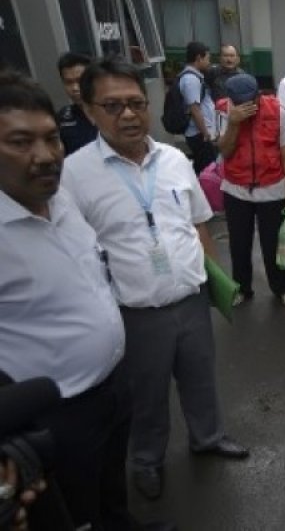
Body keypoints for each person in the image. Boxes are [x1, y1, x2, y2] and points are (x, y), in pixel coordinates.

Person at [61, 58, 248, 502]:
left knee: (200, 377)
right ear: (89, 110)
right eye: (112, 105)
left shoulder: (174, 159)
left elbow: (199, 222)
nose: (127, 114)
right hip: (135, 311)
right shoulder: (74, 174)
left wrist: (214, 281)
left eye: (135, 103)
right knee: (146, 394)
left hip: (190, 296)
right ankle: (146, 460)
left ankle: (208, 437)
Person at [0, 69, 131, 530]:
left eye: (51, 139)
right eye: (19, 142)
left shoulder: (62, 198)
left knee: (112, 484)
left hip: (112, 383)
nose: (44, 156)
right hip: (56, 412)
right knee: (74, 509)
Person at [215, 73, 285, 307]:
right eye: (239, 101)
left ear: (258, 95)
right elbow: (225, 151)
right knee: (239, 244)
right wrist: (233, 122)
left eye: (250, 100)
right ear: (230, 98)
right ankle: (241, 288)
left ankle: (283, 287)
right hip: (236, 189)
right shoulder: (223, 111)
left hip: (272, 188)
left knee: (274, 244)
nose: (246, 105)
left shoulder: (276, 111)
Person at [180, 41, 217, 174]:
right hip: (199, 134)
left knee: (204, 166)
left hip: (201, 132)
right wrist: (206, 133)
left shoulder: (195, 77)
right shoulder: (190, 79)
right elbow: (195, 109)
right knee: (206, 169)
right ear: (198, 58)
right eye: (207, 58)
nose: (209, 62)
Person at [55, 52, 97, 156]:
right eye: (68, 82)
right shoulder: (63, 119)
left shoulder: (112, 111)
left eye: (80, 81)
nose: (75, 88)